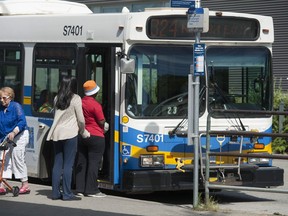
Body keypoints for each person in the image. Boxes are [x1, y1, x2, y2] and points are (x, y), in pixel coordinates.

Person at [46, 76, 90, 201]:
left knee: (57, 163)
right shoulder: (76, 98)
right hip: (70, 134)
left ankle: (55, 193)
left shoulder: (56, 98)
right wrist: (83, 131)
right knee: (68, 164)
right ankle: (67, 193)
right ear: (73, 86)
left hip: (56, 134)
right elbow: (81, 119)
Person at [75, 80, 108, 198]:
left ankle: (79, 188)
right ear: (95, 93)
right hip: (96, 136)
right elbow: (101, 121)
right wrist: (105, 124)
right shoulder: (96, 105)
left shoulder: (80, 102)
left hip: (82, 134)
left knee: (81, 161)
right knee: (94, 163)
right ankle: (91, 190)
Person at [0, 87, 30, 195]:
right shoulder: (1, 109)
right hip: (6, 136)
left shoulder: (16, 106)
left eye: (4, 98)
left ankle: (25, 184)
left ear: (10, 97)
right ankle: (2, 184)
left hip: (19, 134)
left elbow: (22, 121)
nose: (1, 100)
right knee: (3, 158)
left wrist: (14, 132)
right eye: (0, 98)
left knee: (17, 157)